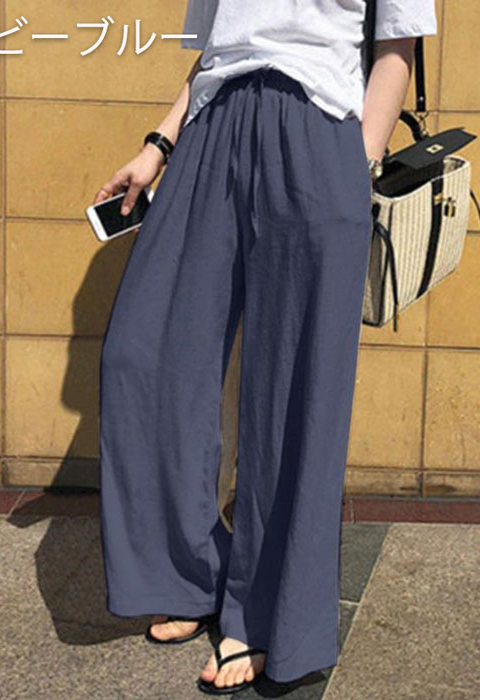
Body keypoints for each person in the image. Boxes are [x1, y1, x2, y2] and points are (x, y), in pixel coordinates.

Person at [93, 0, 437, 694]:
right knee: (143, 356)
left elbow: (396, 48)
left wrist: (357, 161)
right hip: (213, 128)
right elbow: (218, 50)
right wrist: (157, 147)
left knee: (292, 386)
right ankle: (188, 572)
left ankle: (264, 612)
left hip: (316, 126)